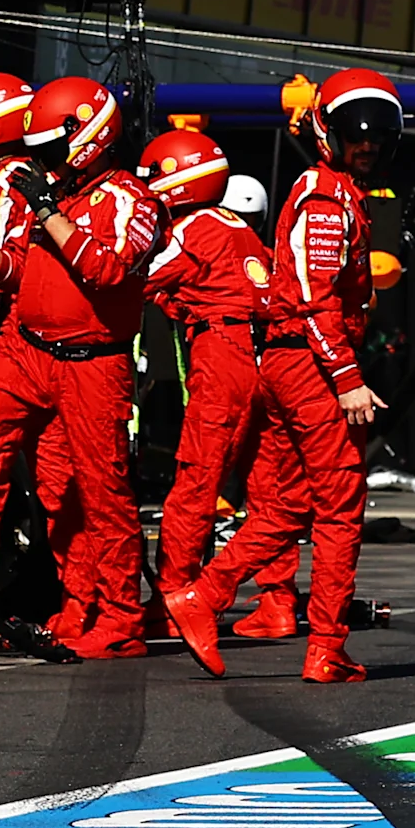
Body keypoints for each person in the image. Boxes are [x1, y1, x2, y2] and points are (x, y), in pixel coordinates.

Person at [163, 70, 398, 684]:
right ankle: (325, 647)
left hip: (292, 360)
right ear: (328, 131)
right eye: (356, 134)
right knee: (341, 504)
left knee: (294, 501)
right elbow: (316, 299)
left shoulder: (337, 191)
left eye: (379, 135)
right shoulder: (326, 198)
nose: (368, 145)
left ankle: (205, 594)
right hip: (310, 364)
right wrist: (346, 377)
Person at [0, 75, 162, 659]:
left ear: (88, 139)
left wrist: (48, 210)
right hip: (26, 352)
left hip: (94, 365)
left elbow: (107, 270)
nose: (43, 163)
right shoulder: (58, 196)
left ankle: (116, 618)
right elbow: (19, 275)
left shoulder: (134, 201)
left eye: (50, 151)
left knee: (96, 494)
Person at [140, 128, 298, 637]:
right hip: (268, 358)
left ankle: (173, 600)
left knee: (196, 482)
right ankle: (278, 601)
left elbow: (134, 278)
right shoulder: (244, 233)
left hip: (222, 358)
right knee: (266, 487)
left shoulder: (193, 228)